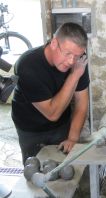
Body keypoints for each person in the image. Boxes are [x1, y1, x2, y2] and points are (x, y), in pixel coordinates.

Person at [11, 22, 89, 165]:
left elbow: (82, 103)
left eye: (77, 55)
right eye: (67, 54)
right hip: (30, 127)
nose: (71, 61)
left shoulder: (79, 62)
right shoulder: (28, 65)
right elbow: (52, 114)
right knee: (35, 170)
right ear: (54, 43)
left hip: (61, 125)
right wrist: (74, 76)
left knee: (62, 169)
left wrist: (72, 138)